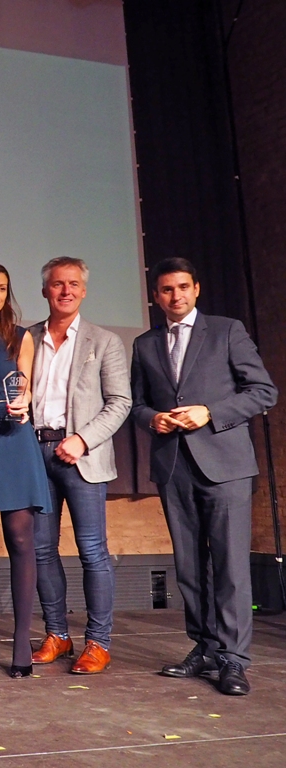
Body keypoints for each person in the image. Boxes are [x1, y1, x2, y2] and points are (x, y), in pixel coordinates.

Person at [130, 258, 277, 695]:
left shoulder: (227, 330)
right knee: (189, 567)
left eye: (182, 288)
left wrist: (210, 413)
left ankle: (234, 659)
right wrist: (152, 418)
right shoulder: (144, 344)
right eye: (166, 290)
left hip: (225, 465)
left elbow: (263, 391)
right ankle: (206, 647)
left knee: (231, 566)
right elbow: (137, 404)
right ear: (155, 296)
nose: (175, 297)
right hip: (174, 466)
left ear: (196, 289)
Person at [29, 257, 130, 675]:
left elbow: (120, 402)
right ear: (45, 291)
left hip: (82, 456)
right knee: (40, 550)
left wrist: (83, 438)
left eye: (73, 284)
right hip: (34, 453)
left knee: (92, 551)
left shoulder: (104, 341)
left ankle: (98, 642)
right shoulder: (28, 337)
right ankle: (57, 634)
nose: (65, 290)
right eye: (57, 284)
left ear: (84, 291)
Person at [0, 261, 52, 678]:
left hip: (12, 437)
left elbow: (26, 384)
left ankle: (20, 641)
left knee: (20, 536)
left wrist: (24, 402)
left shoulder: (21, 337)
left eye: (2, 287)